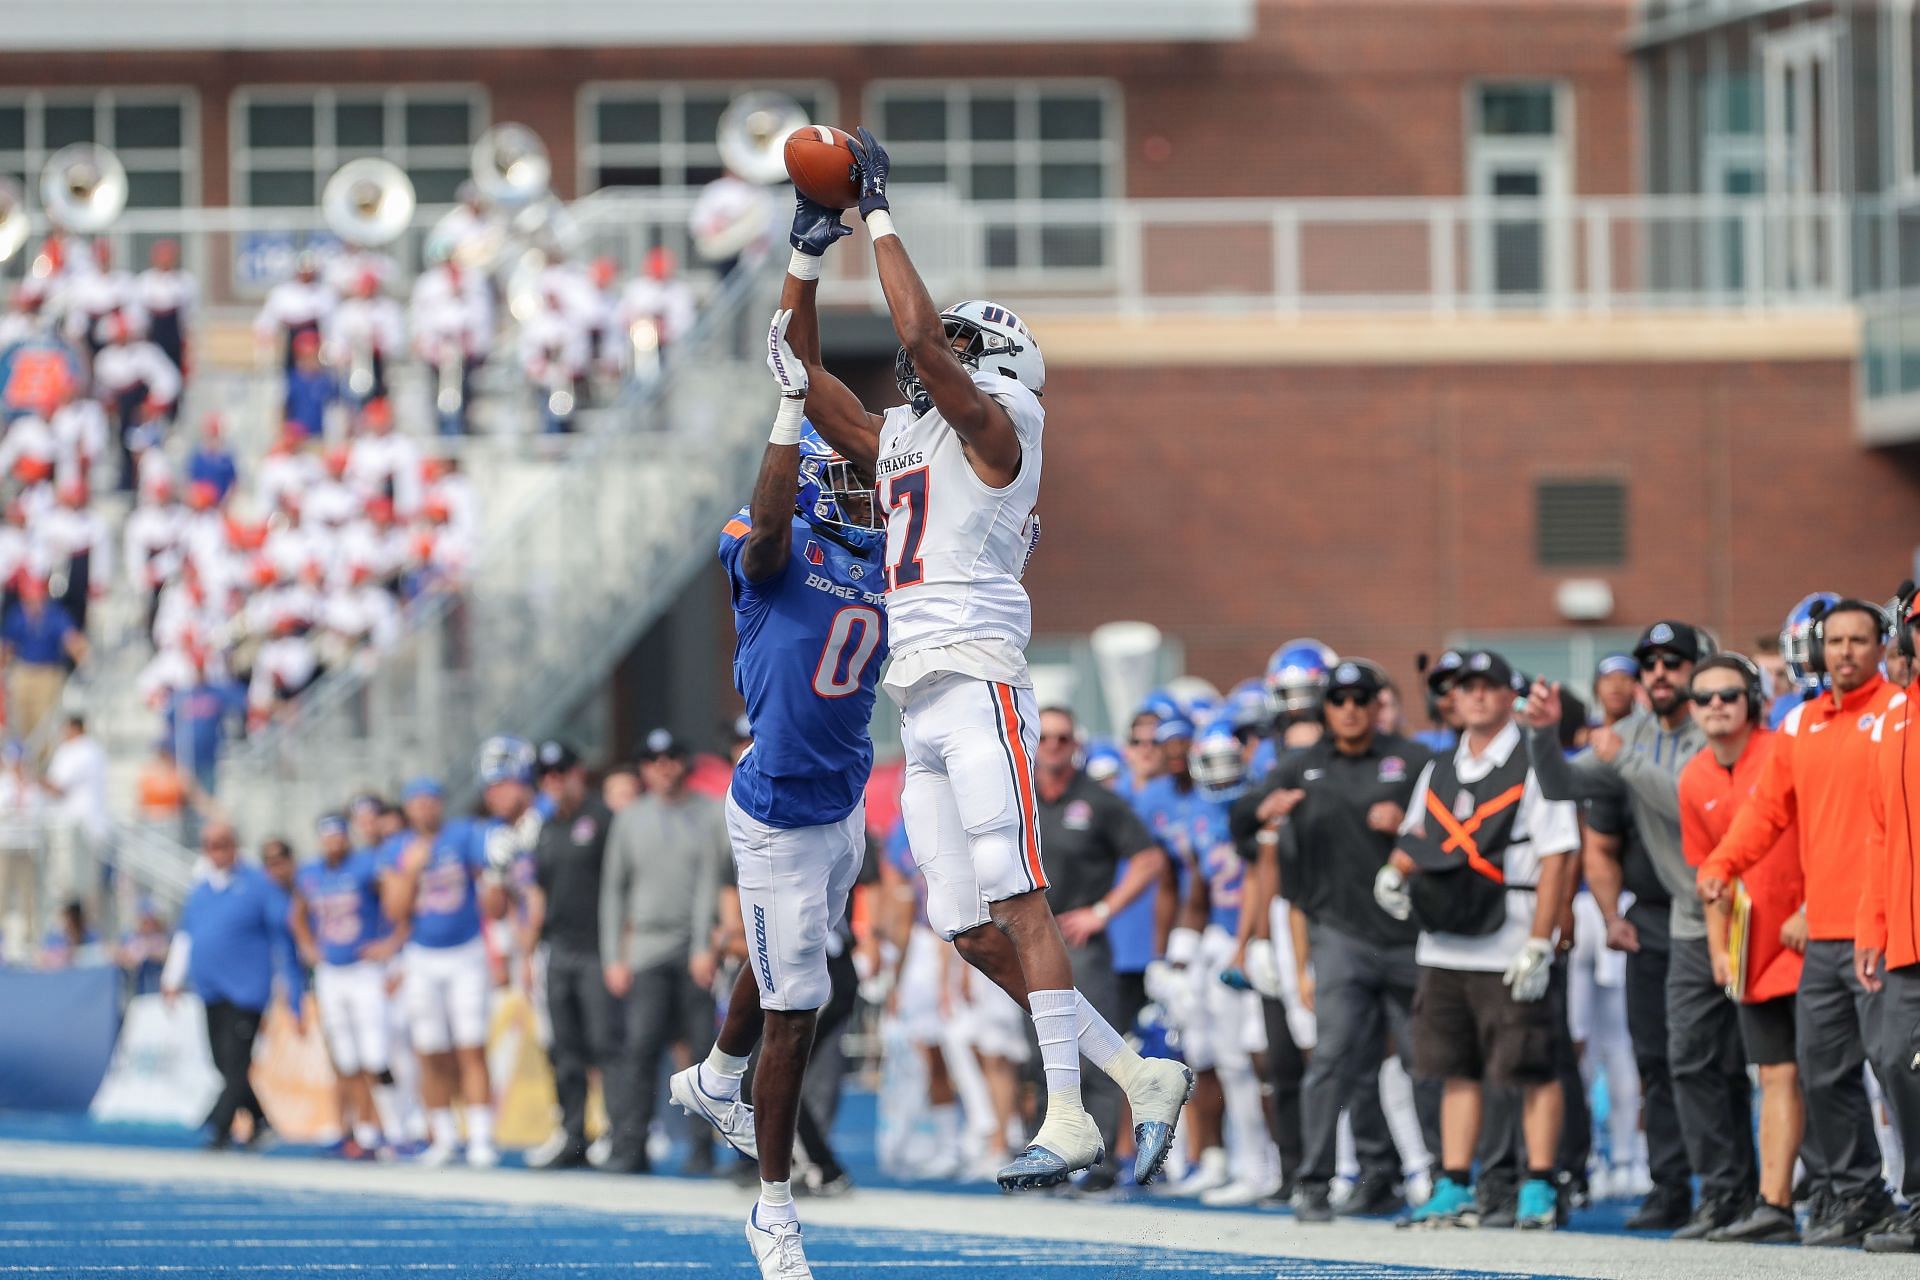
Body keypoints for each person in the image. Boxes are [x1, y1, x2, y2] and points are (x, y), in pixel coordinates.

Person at [795, 133, 1191, 1192]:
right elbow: (808, 376)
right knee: (967, 931)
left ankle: (1071, 1113)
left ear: (996, 362)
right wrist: (806, 252)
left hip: (977, 682)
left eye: (966, 347)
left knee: (1021, 902)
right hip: (918, 698)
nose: (944, 359)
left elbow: (921, 340)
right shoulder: (920, 441)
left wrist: (877, 213)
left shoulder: (1007, 424)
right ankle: (1134, 1075)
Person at [663, 318, 889, 1274]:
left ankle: (715, 1074)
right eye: (849, 478)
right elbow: (760, 535)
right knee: (799, 1002)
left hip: (843, 803)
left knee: (792, 960)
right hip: (777, 812)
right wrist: (793, 406)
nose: (865, 494)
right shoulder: (775, 552)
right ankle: (774, 1207)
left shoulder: (883, 563)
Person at [1522, 620, 1749, 1238]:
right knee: (1658, 1057)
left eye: (1673, 663)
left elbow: (1693, 802)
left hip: (1727, 912)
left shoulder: (1719, 730)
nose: (1658, 674)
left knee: (1721, 1060)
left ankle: (1739, 1188)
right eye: (1649, 663)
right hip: (1657, 915)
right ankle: (1672, 1186)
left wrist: (1624, 759)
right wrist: (1543, 736)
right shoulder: (1634, 731)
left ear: (1702, 670)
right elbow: (1559, 782)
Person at [1700, 597, 1902, 1246]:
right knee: (1822, 1072)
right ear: (1819, 651)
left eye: (1858, 640)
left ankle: (1913, 1194)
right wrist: (1723, 863)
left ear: (1881, 647)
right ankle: (1856, 1195)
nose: (1845, 652)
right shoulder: (1801, 724)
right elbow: (1766, 811)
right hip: (1824, 942)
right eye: (1835, 641)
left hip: (1885, 930)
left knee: (1897, 1067)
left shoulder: (1898, 714)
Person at [1374, 650, 1578, 1230]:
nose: (1477, 696)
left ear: (1508, 695)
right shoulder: (1437, 767)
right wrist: (1393, 871)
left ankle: (1538, 1184)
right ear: (1452, 699)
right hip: (1443, 940)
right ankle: (1453, 1182)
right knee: (1454, 1068)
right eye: (1465, 687)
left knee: (1532, 1066)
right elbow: (1416, 835)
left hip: (1510, 938)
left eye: (1488, 685)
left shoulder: (1538, 761)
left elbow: (1559, 855)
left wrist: (1542, 940)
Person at [1244, 660, 1437, 1221]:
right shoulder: (1302, 766)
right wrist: (1263, 809)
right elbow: (1239, 820)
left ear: (1378, 703)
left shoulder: (1415, 760)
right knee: (1334, 1059)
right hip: (1338, 935)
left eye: (1360, 697)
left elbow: (1453, 833)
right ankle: (1317, 1180)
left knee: (1423, 1058)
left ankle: (1441, 1175)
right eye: (1339, 698)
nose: (1350, 708)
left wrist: (1407, 826)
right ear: (1324, 707)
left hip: (1408, 936)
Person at [1677, 655, 1806, 1244]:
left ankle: (1846, 1191)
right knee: (1774, 1073)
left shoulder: (1786, 750)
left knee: (1841, 1075)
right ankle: (1775, 1204)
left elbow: (1832, 833)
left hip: (1816, 936)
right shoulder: (1693, 777)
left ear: (1753, 698)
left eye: (1729, 693)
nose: (1716, 705)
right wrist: (1719, 950)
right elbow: (1711, 875)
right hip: (1753, 946)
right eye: (1703, 698)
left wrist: (1814, 909)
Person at [1030, 704, 1166, 1192]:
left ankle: (1103, 1160)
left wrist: (1102, 911)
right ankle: (1050, 1152)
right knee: (1039, 1054)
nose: (1053, 745)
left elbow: (1149, 860)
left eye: (1063, 738)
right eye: (1045, 736)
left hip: (1080, 940)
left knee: (1097, 1051)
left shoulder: (1099, 800)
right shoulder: (1019, 795)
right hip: (1030, 942)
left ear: (1077, 745)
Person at [598, 730, 730, 1175]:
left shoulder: (709, 814)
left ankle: (700, 1149)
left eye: (672, 755)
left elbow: (712, 883)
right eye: (653, 758)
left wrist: (702, 947)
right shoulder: (630, 818)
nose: (663, 765)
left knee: (698, 1053)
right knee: (640, 1049)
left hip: (692, 949)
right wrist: (614, 956)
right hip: (647, 949)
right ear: (643, 768)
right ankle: (630, 1145)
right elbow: (614, 892)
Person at [379, 774, 504, 1168]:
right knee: (430, 1050)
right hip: (421, 956)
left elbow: (491, 890)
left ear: (440, 803)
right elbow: (394, 912)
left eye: (430, 800)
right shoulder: (397, 848)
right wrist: (412, 870)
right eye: (416, 802)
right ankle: (444, 1137)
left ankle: (481, 1136)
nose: (423, 808)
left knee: (471, 1045)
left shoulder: (464, 834)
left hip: (465, 952)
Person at [160, 821, 300, 1150]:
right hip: (210, 988)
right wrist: (171, 977)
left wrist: (290, 984)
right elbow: (186, 935)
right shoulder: (201, 890)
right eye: (210, 845)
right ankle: (261, 1121)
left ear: (235, 845)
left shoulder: (257, 884)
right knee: (223, 1063)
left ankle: (218, 1128)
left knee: (236, 1062)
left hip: (246, 988)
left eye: (223, 844)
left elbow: (284, 931)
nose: (217, 851)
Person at [1857, 590, 1920, 1252]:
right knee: (1894, 1058)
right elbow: (1879, 833)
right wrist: (1871, 925)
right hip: (1904, 933)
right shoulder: (1896, 716)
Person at [290, 812, 404, 1159]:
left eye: (338, 835)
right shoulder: (310, 872)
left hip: (363, 969)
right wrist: (308, 946)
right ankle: (367, 1131)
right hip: (332, 973)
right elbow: (296, 914)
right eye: (327, 836)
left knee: (375, 1054)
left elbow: (399, 904)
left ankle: (395, 1130)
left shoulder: (366, 865)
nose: (333, 842)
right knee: (347, 1058)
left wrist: (391, 944)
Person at [526, 743, 616, 1170]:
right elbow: (539, 892)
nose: (554, 781)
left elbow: (622, 886)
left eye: (561, 771)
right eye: (546, 774)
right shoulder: (546, 828)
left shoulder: (601, 819)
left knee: (604, 1042)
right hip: (558, 948)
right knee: (565, 1048)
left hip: (597, 945)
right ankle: (573, 1132)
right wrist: (529, 952)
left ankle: (618, 1129)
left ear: (578, 772)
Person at [2, 576, 87, 745]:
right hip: (23, 671)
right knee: (20, 719)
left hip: (47, 673)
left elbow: (72, 640)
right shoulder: (18, 614)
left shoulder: (54, 614)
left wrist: (82, 661)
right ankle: (22, 759)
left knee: (44, 721)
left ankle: (41, 762)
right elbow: (7, 646)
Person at [41, 715, 109, 920]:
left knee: (74, 890)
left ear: (74, 728)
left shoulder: (80, 750)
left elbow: (57, 788)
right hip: (89, 826)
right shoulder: (93, 750)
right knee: (84, 888)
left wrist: (32, 777)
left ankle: (80, 932)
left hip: (78, 827)